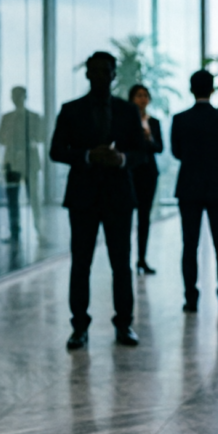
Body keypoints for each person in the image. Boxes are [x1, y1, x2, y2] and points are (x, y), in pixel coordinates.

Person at [50, 51, 145, 350]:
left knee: (121, 264)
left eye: (107, 71)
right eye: (95, 71)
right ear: (87, 74)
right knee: (81, 264)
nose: (101, 76)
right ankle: (79, 327)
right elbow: (56, 151)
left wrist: (121, 159)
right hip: (83, 197)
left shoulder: (128, 112)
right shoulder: (70, 110)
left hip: (118, 196)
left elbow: (142, 154)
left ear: (114, 75)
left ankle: (124, 325)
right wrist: (88, 156)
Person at [172, 70, 218, 313]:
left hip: (188, 187)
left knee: (189, 245)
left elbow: (176, 152)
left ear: (191, 89)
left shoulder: (180, 119)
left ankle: (191, 298)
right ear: (212, 89)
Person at [0, 86, 45, 244]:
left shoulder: (34, 117)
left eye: (18, 95)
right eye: (13, 95)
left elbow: (41, 137)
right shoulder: (7, 118)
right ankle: (15, 232)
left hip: (29, 162)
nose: (16, 98)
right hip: (12, 162)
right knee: (13, 200)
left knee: (34, 199)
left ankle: (39, 230)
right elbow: (0, 139)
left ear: (25, 96)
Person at [129, 84, 163, 274]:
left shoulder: (154, 122)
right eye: (139, 95)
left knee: (144, 217)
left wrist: (149, 138)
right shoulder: (127, 121)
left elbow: (160, 147)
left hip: (148, 174)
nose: (142, 99)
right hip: (131, 172)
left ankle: (142, 258)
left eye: (145, 96)